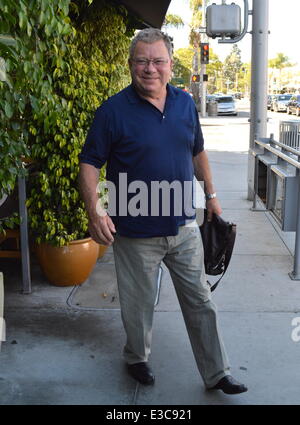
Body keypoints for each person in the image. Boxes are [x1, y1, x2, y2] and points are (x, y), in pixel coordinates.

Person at [79, 28, 247, 395]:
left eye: (157, 61)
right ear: (130, 65)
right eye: (142, 61)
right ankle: (137, 358)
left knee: (201, 300)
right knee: (138, 309)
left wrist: (212, 195)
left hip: (184, 225)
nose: (149, 68)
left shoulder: (185, 104)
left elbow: (197, 150)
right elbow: (90, 162)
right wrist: (95, 210)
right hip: (135, 232)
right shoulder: (112, 111)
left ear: (171, 65)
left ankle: (217, 372)